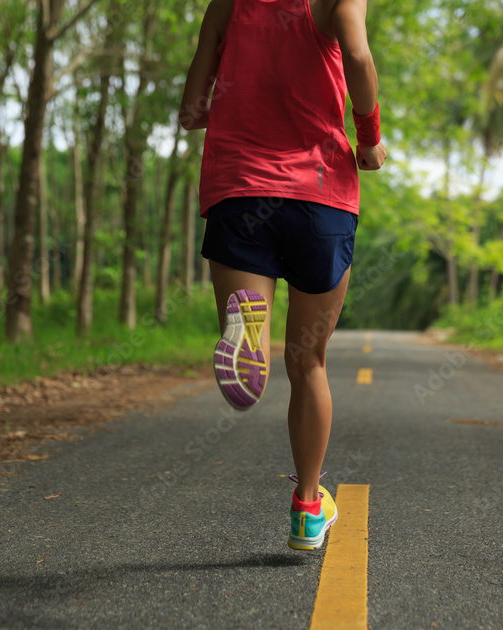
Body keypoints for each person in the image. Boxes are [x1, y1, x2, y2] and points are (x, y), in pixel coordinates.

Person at [180, 0, 385, 551]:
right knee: (308, 362)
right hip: (320, 197)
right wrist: (367, 138)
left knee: (252, 316)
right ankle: (308, 508)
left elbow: (194, 103)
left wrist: (211, 105)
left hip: (240, 188)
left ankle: (248, 327)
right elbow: (359, 58)